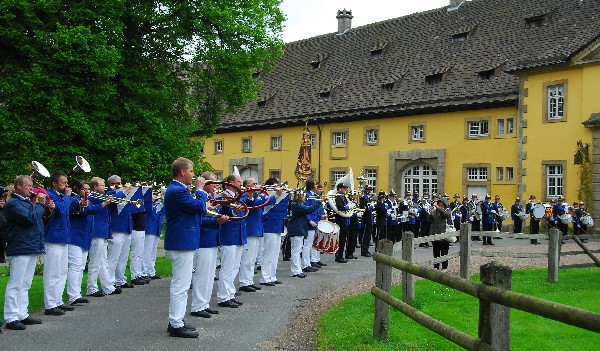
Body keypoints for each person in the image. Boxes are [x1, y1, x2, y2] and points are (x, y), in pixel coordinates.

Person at [164, 157, 207, 338]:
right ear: (182, 172)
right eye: (191, 171)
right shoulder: (177, 190)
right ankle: (175, 323)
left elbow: (197, 210)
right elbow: (198, 206)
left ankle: (177, 320)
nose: (193, 174)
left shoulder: (179, 190)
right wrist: (200, 191)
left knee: (182, 284)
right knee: (181, 285)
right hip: (181, 241)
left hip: (184, 240)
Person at [3, 175, 52, 330]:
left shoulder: (26, 202)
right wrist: (40, 205)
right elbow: (29, 218)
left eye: (31, 186)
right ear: (18, 186)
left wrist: (45, 208)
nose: (31, 189)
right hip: (20, 247)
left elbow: (37, 221)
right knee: (16, 284)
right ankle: (11, 317)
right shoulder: (13, 204)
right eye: (28, 186)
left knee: (25, 283)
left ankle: (22, 313)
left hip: (30, 246)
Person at [190, 171, 229, 318]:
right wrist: (217, 220)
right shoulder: (198, 198)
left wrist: (220, 219)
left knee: (210, 274)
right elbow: (199, 220)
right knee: (202, 274)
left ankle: (204, 304)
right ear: (204, 183)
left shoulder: (211, 198)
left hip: (212, 238)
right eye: (212, 183)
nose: (215, 186)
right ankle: (197, 306)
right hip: (204, 239)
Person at [67, 181, 110, 306]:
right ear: (78, 190)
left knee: (80, 267)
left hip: (85, 237)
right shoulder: (75, 200)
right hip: (76, 236)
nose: (87, 191)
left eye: (87, 189)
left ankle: (77, 293)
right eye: (84, 189)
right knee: (75, 267)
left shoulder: (87, 200)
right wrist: (105, 203)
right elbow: (89, 210)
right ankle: (73, 295)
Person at [44, 172, 81, 316]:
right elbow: (59, 209)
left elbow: (72, 207)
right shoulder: (50, 195)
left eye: (66, 183)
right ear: (54, 183)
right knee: (52, 272)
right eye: (62, 183)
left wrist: (79, 203)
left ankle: (58, 300)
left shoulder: (61, 196)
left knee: (61, 271)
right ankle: (50, 304)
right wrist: (67, 196)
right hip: (53, 237)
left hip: (64, 236)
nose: (66, 185)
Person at [86, 177, 121, 297]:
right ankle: (91, 287)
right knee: (95, 261)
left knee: (102, 261)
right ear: (95, 187)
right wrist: (123, 190)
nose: (104, 187)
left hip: (102, 231)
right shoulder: (93, 196)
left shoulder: (100, 197)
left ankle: (107, 286)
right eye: (102, 185)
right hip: (96, 232)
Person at [239, 177, 274, 291]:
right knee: (247, 258)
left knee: (252, 258)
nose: (256, 185)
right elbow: (253, 205)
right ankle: (244, 282)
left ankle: (249, 280)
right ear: (247, 186)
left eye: (256, 183)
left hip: (256, 229)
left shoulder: (255, 196)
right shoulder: (245, 197)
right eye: (253, 184)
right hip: (250, 229)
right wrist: (250, 195)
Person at [216, 174, 246, 308]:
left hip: (237, 234)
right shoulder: (224, 196)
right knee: (227, 267)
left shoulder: (237, 196)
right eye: (239, 182)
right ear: (232, 183)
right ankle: (223, 296)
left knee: (234, 266)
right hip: (228, 234)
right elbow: (222, 213)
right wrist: (234, 212)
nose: (241, 184)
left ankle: (230, 293)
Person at [106, 175, 135, 289]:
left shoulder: (123, 193)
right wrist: (123, 191)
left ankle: (120, 279)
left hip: (126, 227)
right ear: (111, 184)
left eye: (121, 182)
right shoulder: (110, 193)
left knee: (123, 257)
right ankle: (110, 281)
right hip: (116, 228)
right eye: (117, 182)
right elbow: (113, 202)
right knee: (113, 257)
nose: (121, 184)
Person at [259, 178, 289, 286]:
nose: (279, 186)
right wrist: (276, 195)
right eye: (276, 184)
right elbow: (265, 206)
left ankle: (272, 276)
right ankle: (265, 277)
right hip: (269, 226)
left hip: (278, 225)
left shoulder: (280, 195)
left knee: (276, 254)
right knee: (269, 253)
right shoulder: (266, 195)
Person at [288, 191, 323, 278]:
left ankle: (298, 269)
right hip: (297, 229)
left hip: (298, 229)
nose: (305, 198)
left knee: (298, 250)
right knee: (296, 251)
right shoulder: (296, 205)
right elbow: (308, 210)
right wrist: (319, 202)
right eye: (303, 196)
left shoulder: (297, 205)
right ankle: (296, 271)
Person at [142, 187, 166, 280]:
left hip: (156, 229)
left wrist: (162, 195)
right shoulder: (147, 204)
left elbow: (163, 209)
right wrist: (159, 195)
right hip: (149, 229)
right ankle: (144, 271)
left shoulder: (158, 204)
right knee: (147, 252)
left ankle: (151, 271)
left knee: (153, 252)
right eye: (152, 195)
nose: (154, 196)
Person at [430, 198, 452, 270]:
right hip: (435, 233)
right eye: (438, 203)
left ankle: (444, 267)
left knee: (444, 252)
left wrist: (438, 208)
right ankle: (436, 266)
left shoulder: (447, 210)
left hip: (444, 234)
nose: (439, 204)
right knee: (436, 252)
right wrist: (431, 212)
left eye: (440, 203)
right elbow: (430, 219)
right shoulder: (436, 210)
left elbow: (447, 215)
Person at [333, 183, 351, 263]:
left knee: (343, 239)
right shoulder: (337, 197)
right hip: (340, 220)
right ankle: (339, 256)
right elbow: (340, 207)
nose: (345, 190)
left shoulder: (343, 197)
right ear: (339, 189)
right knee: (340, 239)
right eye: (344, 188)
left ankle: (340, 255)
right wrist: (347, 207)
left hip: (344, 220)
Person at [358, 186, 374, 257]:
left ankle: (366, 249)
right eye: (369, 190)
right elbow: (363, 208)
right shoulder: (363, 198)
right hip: (366, 219)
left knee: (368, 236)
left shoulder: (368, 198)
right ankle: (364, 251)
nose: (370, 191)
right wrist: (369, 207)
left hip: (369, 219)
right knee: (365, 236)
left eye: (370, 190)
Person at [0, 191, 7, 263]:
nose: (2, 202)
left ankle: (2, 258)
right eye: (0, 201)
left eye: (3, 201)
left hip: (4, 231)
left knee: (3, 246)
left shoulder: (6, 210)